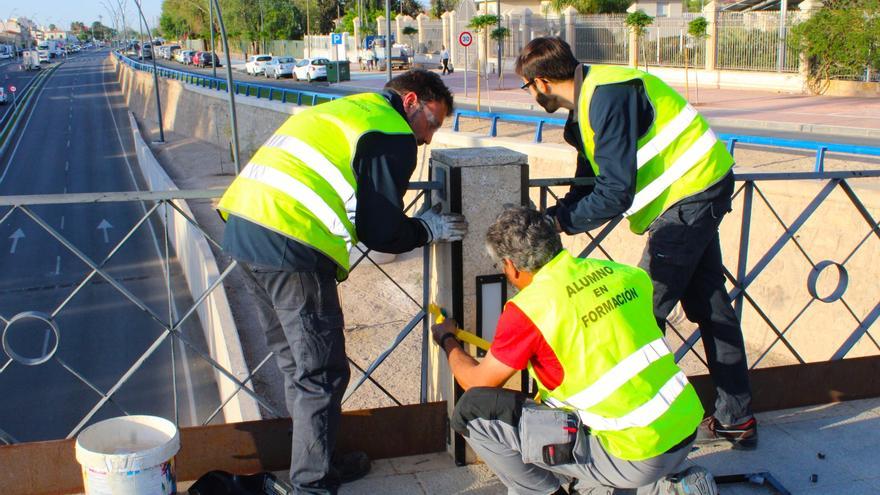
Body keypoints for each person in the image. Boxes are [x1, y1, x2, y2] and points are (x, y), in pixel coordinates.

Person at [217, 69, 467, 495]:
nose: (428, 139)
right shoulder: (390, 131)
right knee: (321, 372)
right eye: (432, 123)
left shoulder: (347, 109)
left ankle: (319, 461)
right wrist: (427, 230)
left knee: (297, 365)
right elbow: (380, 230)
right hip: (291, 244)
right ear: (410, 102)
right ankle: (312, 485)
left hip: (244, 230)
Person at [515, 37, 756, 451]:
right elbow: (588, 181)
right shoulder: (589, 100)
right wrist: (555, 214)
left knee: (638, 313)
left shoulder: (607, 96)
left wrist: (558, 223)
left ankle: (643, 429)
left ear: (540, 82)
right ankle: (737, 418)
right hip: (694, 190)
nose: (530, 96)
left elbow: (614, 194)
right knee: (712, 309)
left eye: (527, 87)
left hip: (690, 194)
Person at [433, 207, 718, 495]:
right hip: (683, 427)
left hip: (636, 453)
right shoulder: (626, 276)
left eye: (502, 268)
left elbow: (476, 382)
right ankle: (673, 486)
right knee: (580, 464)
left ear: (511, 265)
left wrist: (448, 339)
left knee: (473, 412)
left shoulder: (530, 310)